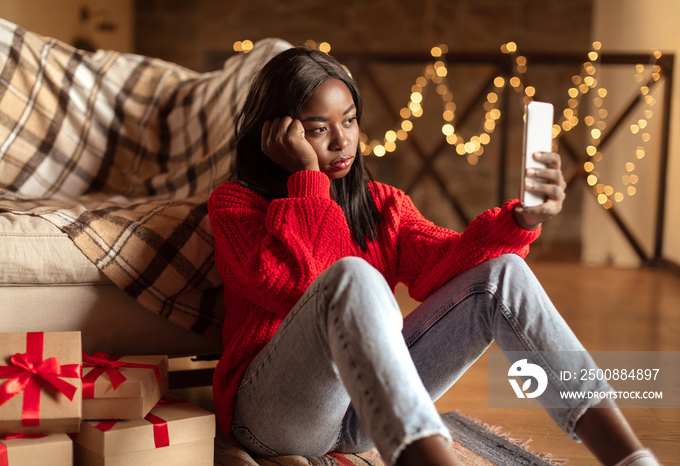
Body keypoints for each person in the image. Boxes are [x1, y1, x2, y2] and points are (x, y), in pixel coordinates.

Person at [207, 46, 659, 466]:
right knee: (353, 276)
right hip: (275, 416)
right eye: (318, 129)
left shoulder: (381, 204)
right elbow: (297, 286)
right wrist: (307, 179)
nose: (342, 141)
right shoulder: (234, 205)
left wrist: (522, 220)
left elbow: (449, 262)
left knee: (504, 271)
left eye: (348, 121)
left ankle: (629, 457)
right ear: (277, 133)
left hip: (361, 413)